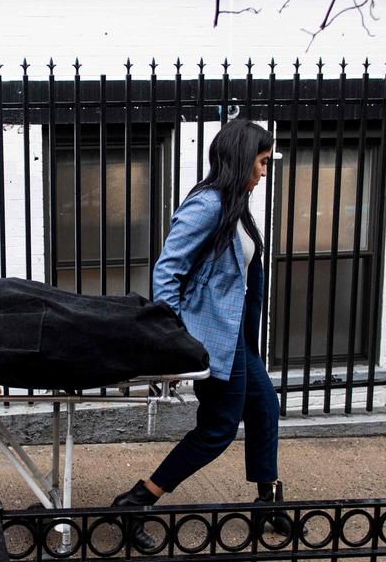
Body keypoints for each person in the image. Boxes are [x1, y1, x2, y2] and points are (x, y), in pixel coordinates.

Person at [111, 119, 288, 546]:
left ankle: (268, 499)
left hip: (237, 339)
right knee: (218, 429)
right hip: (209, 340)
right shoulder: (208, 204)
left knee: (264, 407)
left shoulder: (236, 203)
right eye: (262, 162)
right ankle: (136, 501)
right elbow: (168, 270)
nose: (265, 172)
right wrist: (174, 341)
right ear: (244, 158)